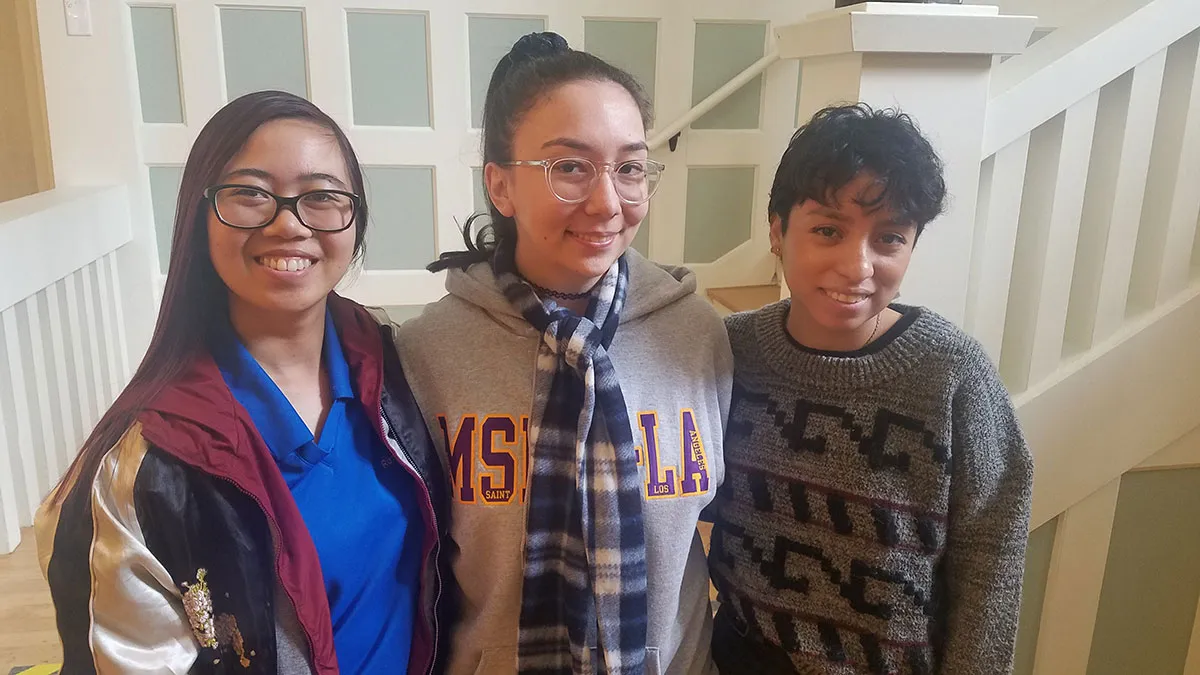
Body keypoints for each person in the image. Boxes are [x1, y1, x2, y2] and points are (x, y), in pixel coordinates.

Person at [36, 90, 450, 675]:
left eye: (322, 196)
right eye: (251, 193)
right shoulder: (147, 467)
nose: (289, 223)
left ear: (354, 221)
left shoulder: (391, 368)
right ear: (200, 216)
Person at [395, 32, 732, 675]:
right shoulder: (426, 353)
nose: (607, 203)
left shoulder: (694, 335)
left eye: (629, 168)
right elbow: (415, 572)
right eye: (570, 167)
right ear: (501, 186)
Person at [707, 103, 1034, 674]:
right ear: (778, 231)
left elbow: (991, 554)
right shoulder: (729, 352)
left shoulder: (951, 374)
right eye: (828, 231)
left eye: (889, 238)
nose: (858, 266)